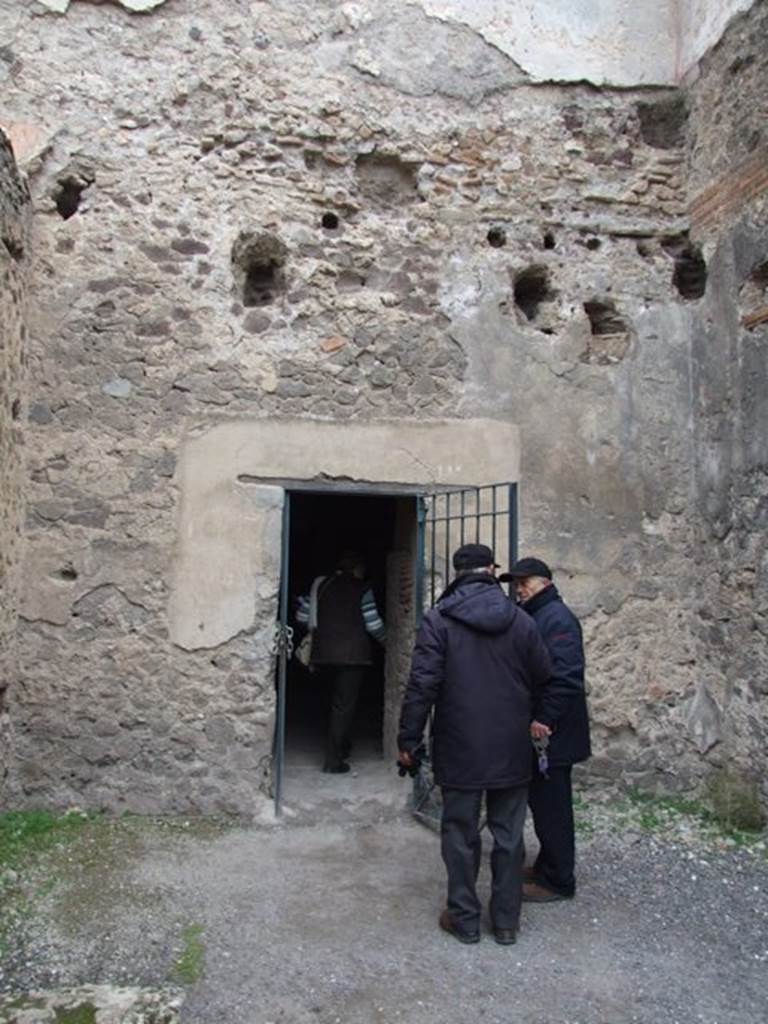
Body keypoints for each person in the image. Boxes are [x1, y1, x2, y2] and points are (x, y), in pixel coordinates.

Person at [397, 543, 552, 946]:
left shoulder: (438, 621)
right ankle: (505, 921)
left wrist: (408, 739)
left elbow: (422, 685)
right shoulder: (521, 621)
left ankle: (464, 918)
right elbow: (544, 674)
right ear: (492, 569)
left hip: (460, 743)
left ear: (457, 573)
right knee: (509, 834)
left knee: (460, 833)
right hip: (510, 745)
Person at [499, 557, 591, 902]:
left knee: (553, 807)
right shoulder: (540, 615)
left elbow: (566, 676)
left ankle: (557, 881)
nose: (519, 589)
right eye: (516, 583)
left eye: (526, 583)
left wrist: (544, 719)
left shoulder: (557, 618)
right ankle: (546, 865)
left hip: (553, 733)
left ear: (544, 583)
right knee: (544, 802)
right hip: (547, 731)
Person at [296, 551, 385, 774]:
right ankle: (333, 760)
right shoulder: (362, 589)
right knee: (344, 706)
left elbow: (302, 618)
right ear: (357, 569)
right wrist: (390, 642)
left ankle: (338, 746)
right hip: (353, 655)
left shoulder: (319, 585)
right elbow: (373, 625)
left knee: (330, 703)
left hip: (322, 653)